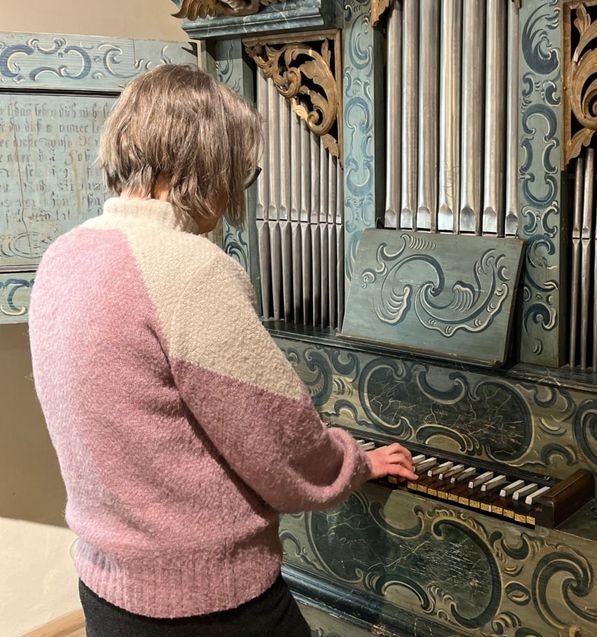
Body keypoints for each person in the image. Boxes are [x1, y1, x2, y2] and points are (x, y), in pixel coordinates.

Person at [28, 64, 418, 636]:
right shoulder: (188, 268)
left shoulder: (64, 254)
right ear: (212, 164)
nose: (239, 187)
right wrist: (354, 460)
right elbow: (283, 450)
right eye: (242, 169)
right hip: (209, 604)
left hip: (108, 589)